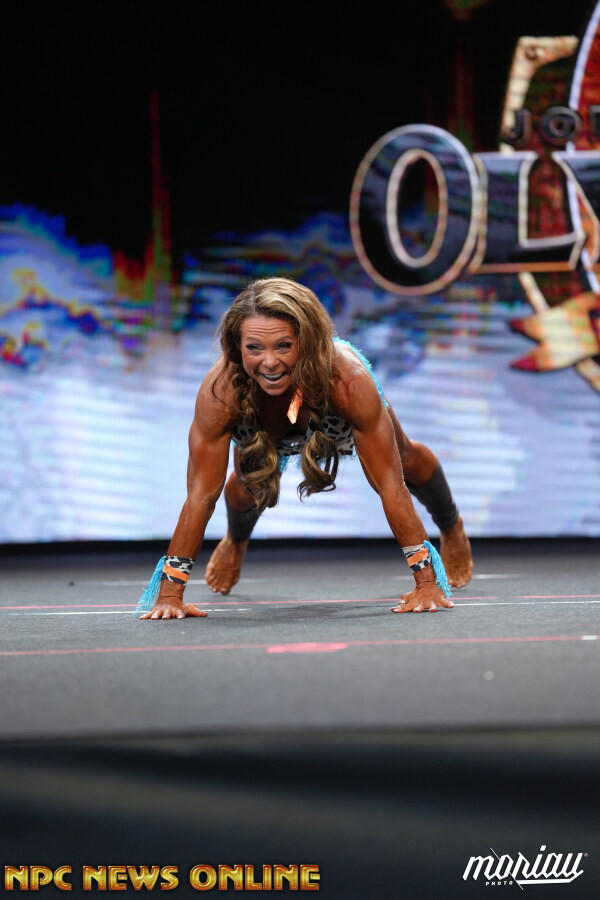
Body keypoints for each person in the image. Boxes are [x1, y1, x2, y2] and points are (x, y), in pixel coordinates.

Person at [139, 277, 472, 621]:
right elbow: (200, 496)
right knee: (245, 488)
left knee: (405, 460)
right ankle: (236, 541)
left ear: (309, 342)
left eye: (284, 346)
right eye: (254, 348)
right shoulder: (222, 392)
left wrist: (426, 584)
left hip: (333, 415)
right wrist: (170, 595)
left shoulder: (348, 381)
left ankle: (451, 525)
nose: (269, 362)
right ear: (237, 347)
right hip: (262, 423)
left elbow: (389, 485)